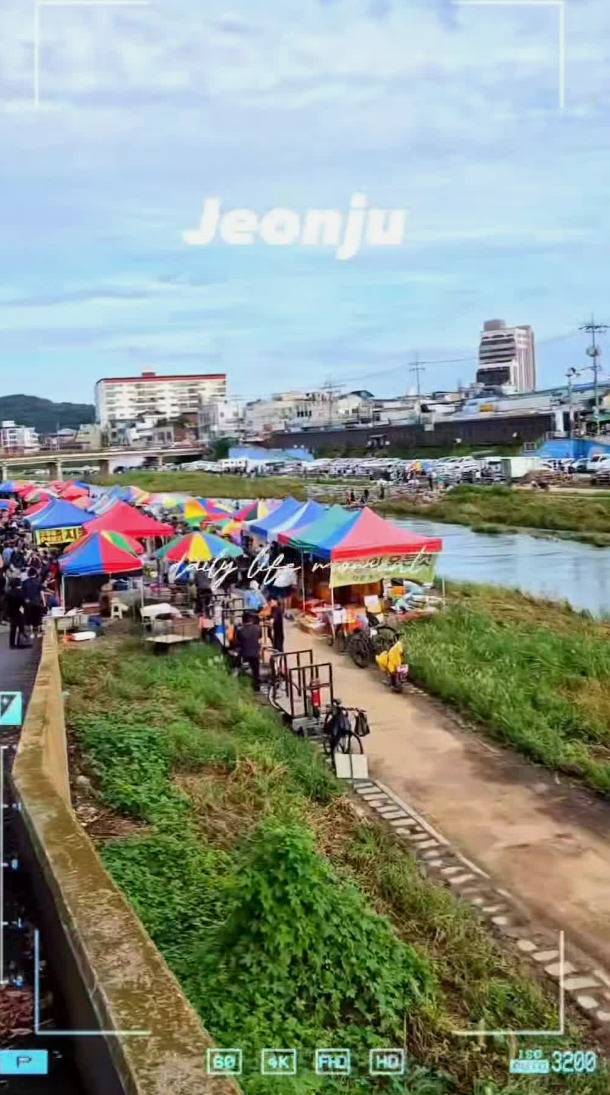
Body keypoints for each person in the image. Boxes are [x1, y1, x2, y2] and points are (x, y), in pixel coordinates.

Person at [237, 611, 262, 691]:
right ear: (251, 619)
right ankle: (257, 686)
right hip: (255, 654)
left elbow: (238, 641)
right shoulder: (258, 628)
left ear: (243, 620)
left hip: (245, 654)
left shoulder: (240, 630)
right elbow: (259, 637)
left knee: (237, 662)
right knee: (256, 670)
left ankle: (241, 683)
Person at [5, 577, 29, 649]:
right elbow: (24, 603)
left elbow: (5, 602)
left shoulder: (9, 592)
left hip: (10, 611)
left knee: (13, 628)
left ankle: (12, 644)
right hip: (18, 611)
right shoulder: (20, 592)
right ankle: (20, 642)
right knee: (21, 627)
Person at [22, 566, 44, 637]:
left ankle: (32, 633)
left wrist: (25, 601)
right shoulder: (38, 581)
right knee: (38, 618)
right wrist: (44, 602)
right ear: (35, 573)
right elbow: (41, 592)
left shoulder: (24, 582)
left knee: (30, 618)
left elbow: (23, 593)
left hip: (28, 603)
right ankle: (38, 633)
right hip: (37, 602)